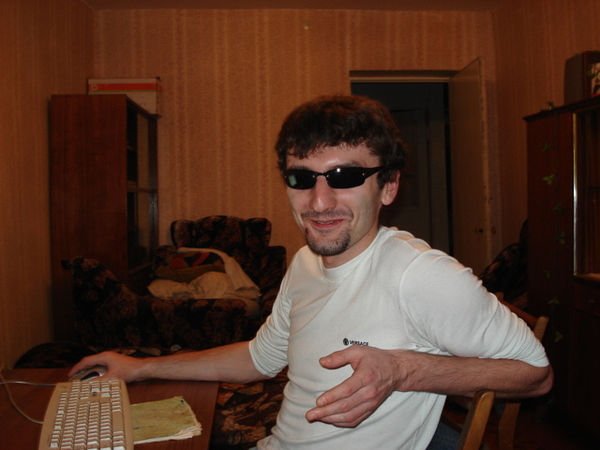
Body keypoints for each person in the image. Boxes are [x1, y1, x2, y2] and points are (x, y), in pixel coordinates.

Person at [71, 94, 552, 449]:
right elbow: (259, 358)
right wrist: (140, 367)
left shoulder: (420, 275)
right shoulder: (304, 263)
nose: (319, 203)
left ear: (388, 186)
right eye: (301, 178)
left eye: (346, 177)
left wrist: (402, 370)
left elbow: (536, 375)